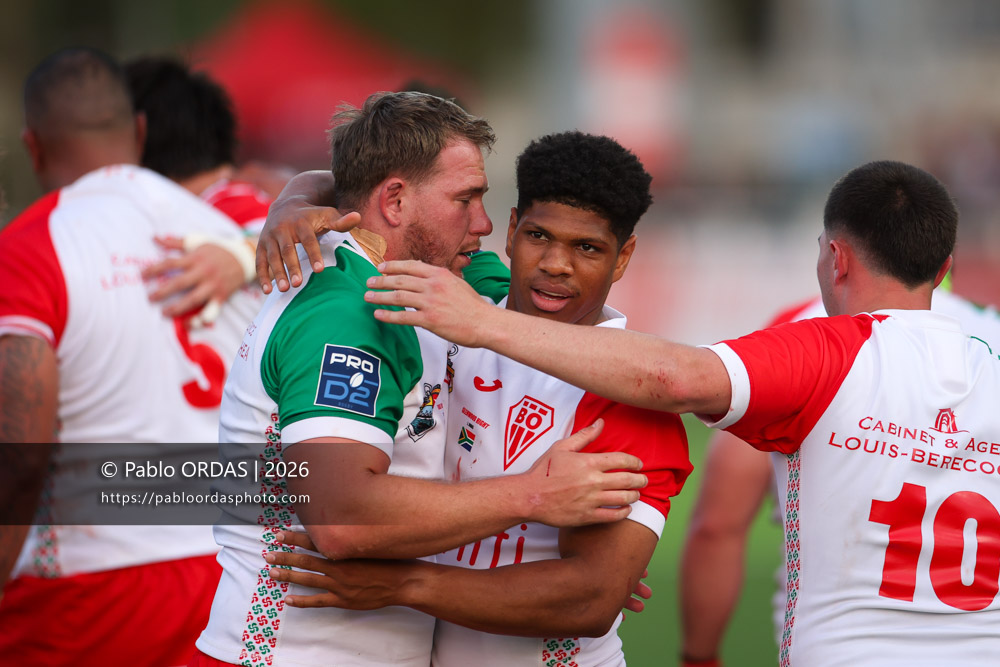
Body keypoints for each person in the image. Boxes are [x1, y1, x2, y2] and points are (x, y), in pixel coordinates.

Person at [360, 160, 1000, 666]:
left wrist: (396, 575)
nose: (554, 265)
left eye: (585, 247)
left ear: (834, 258)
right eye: (465, 200)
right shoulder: (429, 298)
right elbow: (315, 505)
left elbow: (322, 514)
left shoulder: (820, 347)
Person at [194, 94, 648, 667]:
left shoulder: (439, 281)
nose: (483, 224)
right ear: (396, 200)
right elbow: (343, 518)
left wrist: (295, 196)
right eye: (465, 200)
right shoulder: (352, 313)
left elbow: (348, 184)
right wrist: (536, 496)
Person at [0, 47, 259, 665]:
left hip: (92, 594)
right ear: (138, 131)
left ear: (32, 147)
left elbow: (19, 458)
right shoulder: (237, 239)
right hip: (235, 580)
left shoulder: (31, 247)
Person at [679, 289, 1000, 667]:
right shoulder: (990, 332)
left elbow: (719, 522)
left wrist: (699, 657)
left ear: (837, 255)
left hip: (842, 649)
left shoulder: (809, 329)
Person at [125, 55, 270, 325]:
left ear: (137, 136)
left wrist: (244, 256)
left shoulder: (231, 206)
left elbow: (309, 245)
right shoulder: (230, 198)